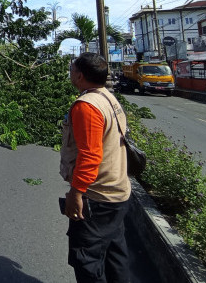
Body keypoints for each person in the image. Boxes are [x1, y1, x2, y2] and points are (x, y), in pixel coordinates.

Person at [60, 53, 131, 283]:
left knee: (87, 260)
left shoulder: (86, 106)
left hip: (98, 198)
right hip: (117, 192)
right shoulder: (107, 98)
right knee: (114, 255)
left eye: (71, 69)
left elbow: (90, 155)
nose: (70, 73)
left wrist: (76, 192)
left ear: (80, 75)